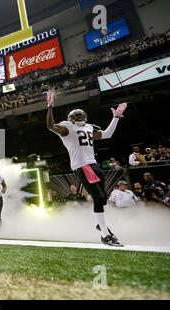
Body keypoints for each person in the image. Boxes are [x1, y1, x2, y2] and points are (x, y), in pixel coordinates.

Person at [46, 88, 125, 247]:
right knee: (97, 197)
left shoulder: (89, 127)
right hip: (82, 166)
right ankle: (104, 235)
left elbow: (107, 134)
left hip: (94, 164)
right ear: (70, 118)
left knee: (103, 197)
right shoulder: (67, 127)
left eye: (80, 114)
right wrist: (50, 107)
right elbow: (49, 126)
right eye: (76, 115)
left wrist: (116, 117)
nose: (79, 116)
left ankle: (100, 225)